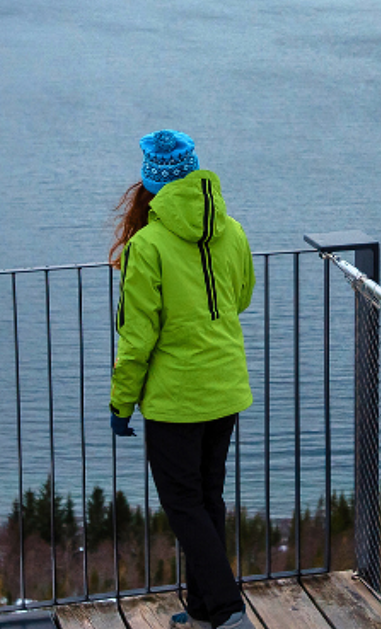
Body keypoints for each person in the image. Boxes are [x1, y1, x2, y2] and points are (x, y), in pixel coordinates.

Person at [109, 130, 255, 629]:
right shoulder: (231, 230)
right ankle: (207, 608)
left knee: (184, 505)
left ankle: (231, 610)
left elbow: (137, 337)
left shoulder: (147, 245)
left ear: (150, 181)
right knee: (206, 497)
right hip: (225, 386)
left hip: (175, 398)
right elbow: (243, 296)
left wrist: (121, 403)